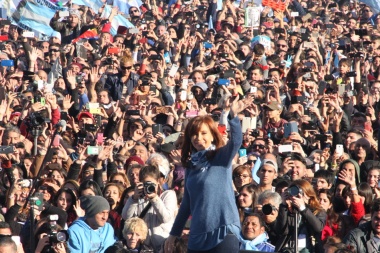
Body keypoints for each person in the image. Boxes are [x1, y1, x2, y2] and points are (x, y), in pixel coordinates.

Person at [164, 97, 242, 253]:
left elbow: (236, 142)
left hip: (223, 231)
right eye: (194, 134)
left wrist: (233, 116)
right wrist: (174, 233)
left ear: (213, 135)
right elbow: (186, 204)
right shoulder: (191, 167)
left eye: (203, 133)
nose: (198, 138)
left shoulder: (221, 158)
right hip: (197, 236)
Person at [122, 165, 177, 252]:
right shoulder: (137, 199)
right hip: (144, 248)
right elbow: (126, 217)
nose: (148, 187)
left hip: (163, 246)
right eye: (145, 184)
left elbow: (166, 218)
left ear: (158, 182)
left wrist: (155, 198)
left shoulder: (168, 195)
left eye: (151, 184)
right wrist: (133, 199)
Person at [275, 179, 327, 253]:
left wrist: (303, 208)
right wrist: (283, 205)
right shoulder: (288, 210)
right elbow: (282, 231)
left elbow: (318, 228)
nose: (297, 196)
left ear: (309, 195)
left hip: (309, 249)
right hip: (288, 249)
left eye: (300, 193)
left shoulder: (318, 211)